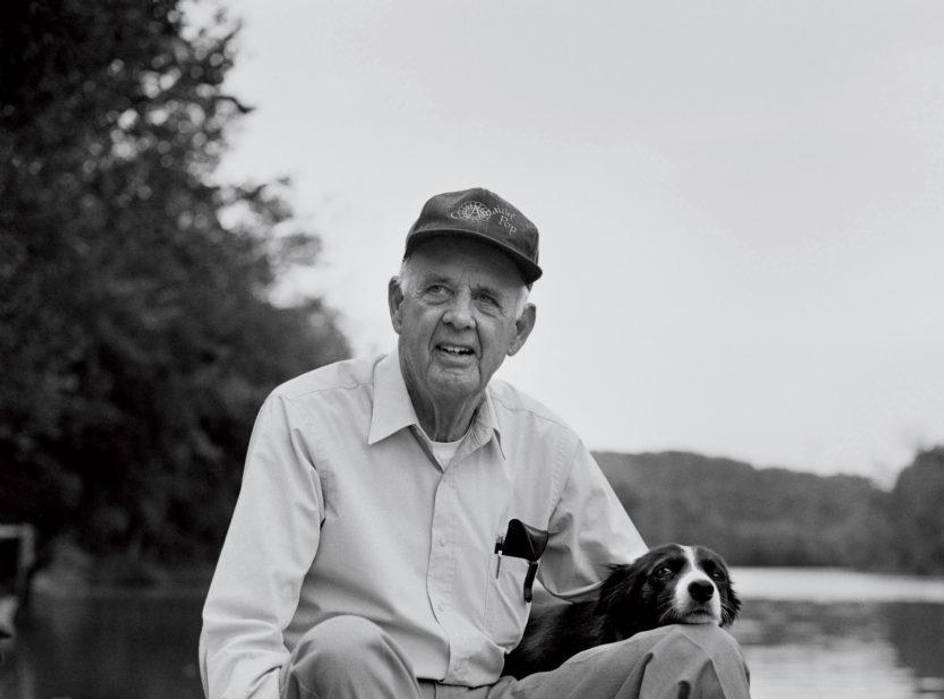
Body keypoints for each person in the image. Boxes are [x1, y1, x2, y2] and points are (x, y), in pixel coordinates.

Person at [198, 187, 750, 699]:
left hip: (493, 692)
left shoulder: (548, 445)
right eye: (438, 290)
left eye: (488, 300)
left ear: (518, 330)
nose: (460, 317)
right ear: (397, 305)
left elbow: (637, 587)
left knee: (697, 651)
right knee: (342, 646)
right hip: (361, 685)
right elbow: (242, 631)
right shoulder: (304, 417)